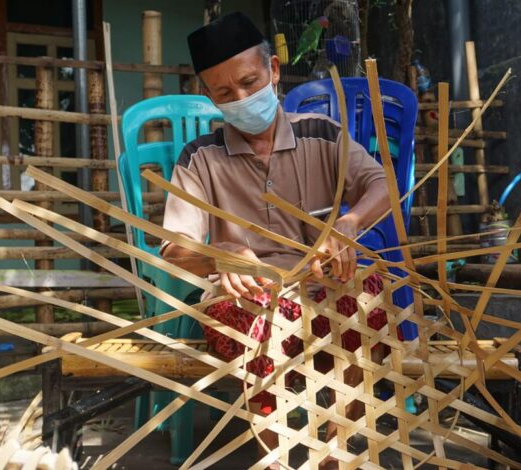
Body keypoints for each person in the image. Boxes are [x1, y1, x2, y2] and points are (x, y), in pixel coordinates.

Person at [160, 12, 391, 468]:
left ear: (274, 71)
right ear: (208, 96)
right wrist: (217, 254)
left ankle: (335, 450)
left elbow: (382, 184)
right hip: (251, 302)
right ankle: (280, 454)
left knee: (370, 302)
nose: (241, 98)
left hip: (323, 290)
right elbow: (173, 248)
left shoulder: (320, 134)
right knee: (252, 324)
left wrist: (350, 222)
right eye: (224, 93)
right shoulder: (199, 158)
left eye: (249, 81)